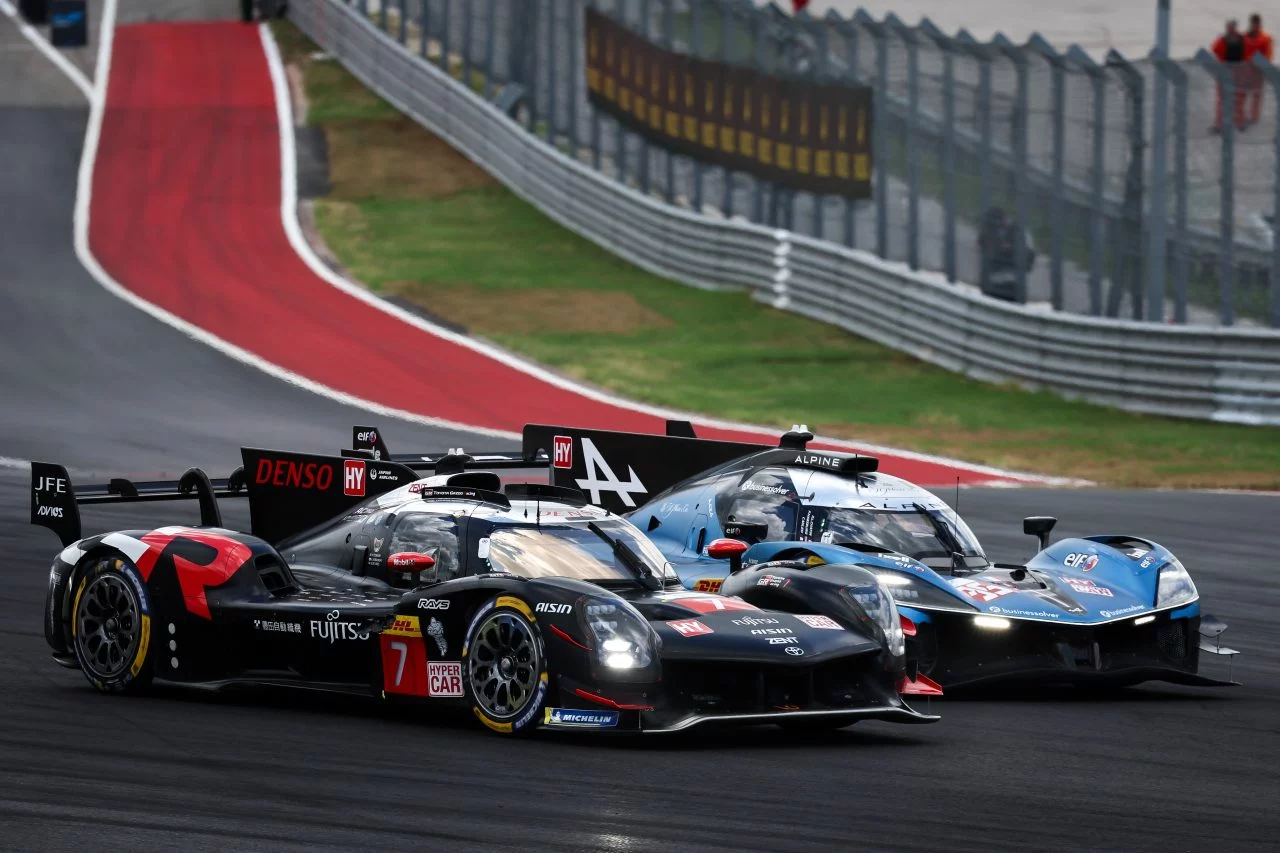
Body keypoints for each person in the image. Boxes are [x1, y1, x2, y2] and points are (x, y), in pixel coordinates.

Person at [977, 207, 1036, 303]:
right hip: (991, 284)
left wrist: (1011, 251)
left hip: (1013, 286)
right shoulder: (988, 230)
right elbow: (982, 247)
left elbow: (1030, 259)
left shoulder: (1018, 231)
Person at [1211, 19, 1249, 132]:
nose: (1231, 29)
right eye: (1229, 27)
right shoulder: (1223, 40)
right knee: (1222, 100)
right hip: (1225, 71)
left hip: (1239, 72)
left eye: (1232, 27)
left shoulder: (1242, 39)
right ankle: (1220, 124)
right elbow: (1215, 50)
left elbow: (1248, 53)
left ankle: (1239, 122)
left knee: (1239, 99)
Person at [1245, 14, 1275, 125]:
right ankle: (1241, 117)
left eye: (1256, 23)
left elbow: (1268, 54)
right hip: (1245, 69)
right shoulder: (1245, 37)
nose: (1254, 25)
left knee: (1256, 95)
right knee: (1242, 94)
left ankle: (1254, 117)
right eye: (1253, 23)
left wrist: (1263, 65)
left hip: (1258, 70)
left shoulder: (1265, 38)